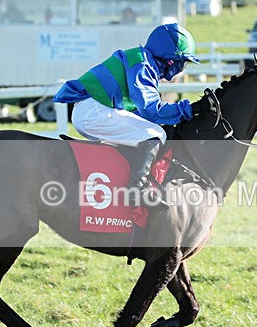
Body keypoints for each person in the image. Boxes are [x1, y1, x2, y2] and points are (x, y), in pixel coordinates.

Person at [54, 23, 213, 206]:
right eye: (182, 62)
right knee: (155, 134)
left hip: (93, 110)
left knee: (150, 131)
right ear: (170, 59)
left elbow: (140, 113)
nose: (182, 69)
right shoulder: (143, 65)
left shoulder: (142, 60)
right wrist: (191, 109)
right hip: (94, 112)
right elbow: (151, 110)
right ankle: (137, 189)